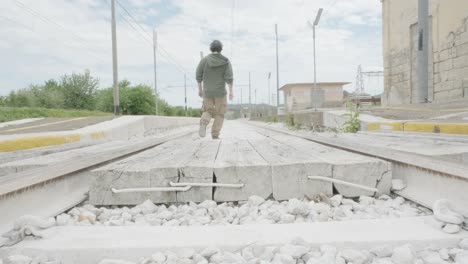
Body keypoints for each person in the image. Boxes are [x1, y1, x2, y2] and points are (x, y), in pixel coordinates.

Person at [196, 40, 234, 139]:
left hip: (207, 92)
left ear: (211, 48)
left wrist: (200, 89)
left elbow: (198, 75)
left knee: (207, 111)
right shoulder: (225, 61)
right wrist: (230, 92)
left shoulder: (204, 60)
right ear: (221, 49)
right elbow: (229, 78)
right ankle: (215, 134)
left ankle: (203, 123)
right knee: (220, 113)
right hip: (220, 93)